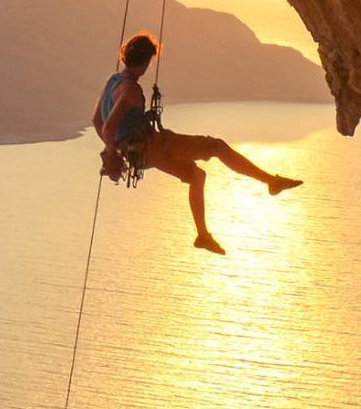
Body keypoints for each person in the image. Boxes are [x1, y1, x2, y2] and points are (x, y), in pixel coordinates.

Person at [93, 32, 302, 254]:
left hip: (142, 152)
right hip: (152, 146)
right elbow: (107, 127)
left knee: (197, 176)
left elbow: (97, 120)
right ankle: (271, 182)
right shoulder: (130, 90)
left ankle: (203, 236)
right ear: (145, 62)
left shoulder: (112, 81)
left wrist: (116, 149)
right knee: (217, 147)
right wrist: (112, 152)